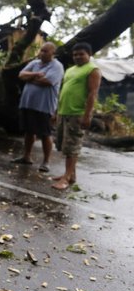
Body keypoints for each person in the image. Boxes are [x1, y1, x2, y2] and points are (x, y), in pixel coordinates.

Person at [51, 43, 102, 190]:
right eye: (75, 55)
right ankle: (71, 175)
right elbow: (63, 91)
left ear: (89, 55)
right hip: (63, 112)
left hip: (77, 114)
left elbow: (93, 94)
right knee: (64, 145)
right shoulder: (70, 70)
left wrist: (87, 116)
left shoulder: (93, 70)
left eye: (81, 54)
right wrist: (56, 112)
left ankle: (66, 178)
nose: (78, 57)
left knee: (72, 147)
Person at [12, 42, 64, 172]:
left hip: (44, 106)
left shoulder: (57, 66)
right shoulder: (35, 63)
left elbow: (47, 81)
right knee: (29, 131)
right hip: (28, 103)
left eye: (46, 51)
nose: (42, 53)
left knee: (45, 133)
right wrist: (35, 75)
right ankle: (26, 156)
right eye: (41, 50)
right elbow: (21, 75)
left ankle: (46, 161)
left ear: (53, 53)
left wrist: (29, 78)